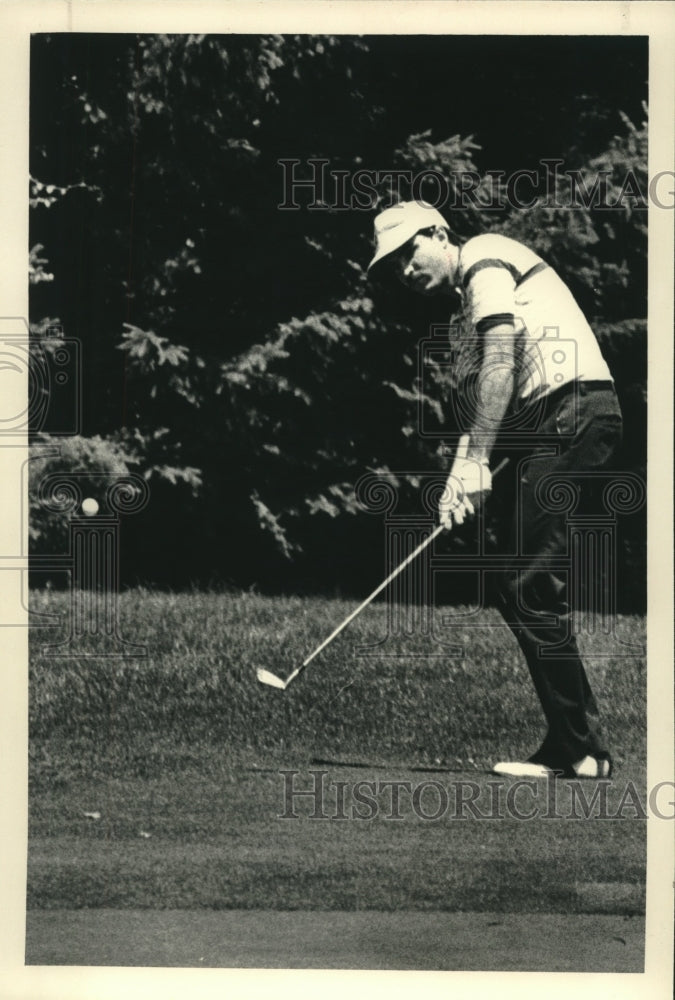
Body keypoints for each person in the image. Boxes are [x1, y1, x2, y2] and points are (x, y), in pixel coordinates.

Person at [367, 200, 623, 779]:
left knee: (529, 580)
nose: (405, 270)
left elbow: (504, 363)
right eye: (394, 266)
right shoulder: (461, 317)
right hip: (547, 423)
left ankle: (581, 751)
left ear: (438, 232)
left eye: (409, 251)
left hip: (572, 412)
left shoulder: (484, 257)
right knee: (512, 583)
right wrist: (460, 476)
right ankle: (577, 744)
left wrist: (479, 460)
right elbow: (484, 403)